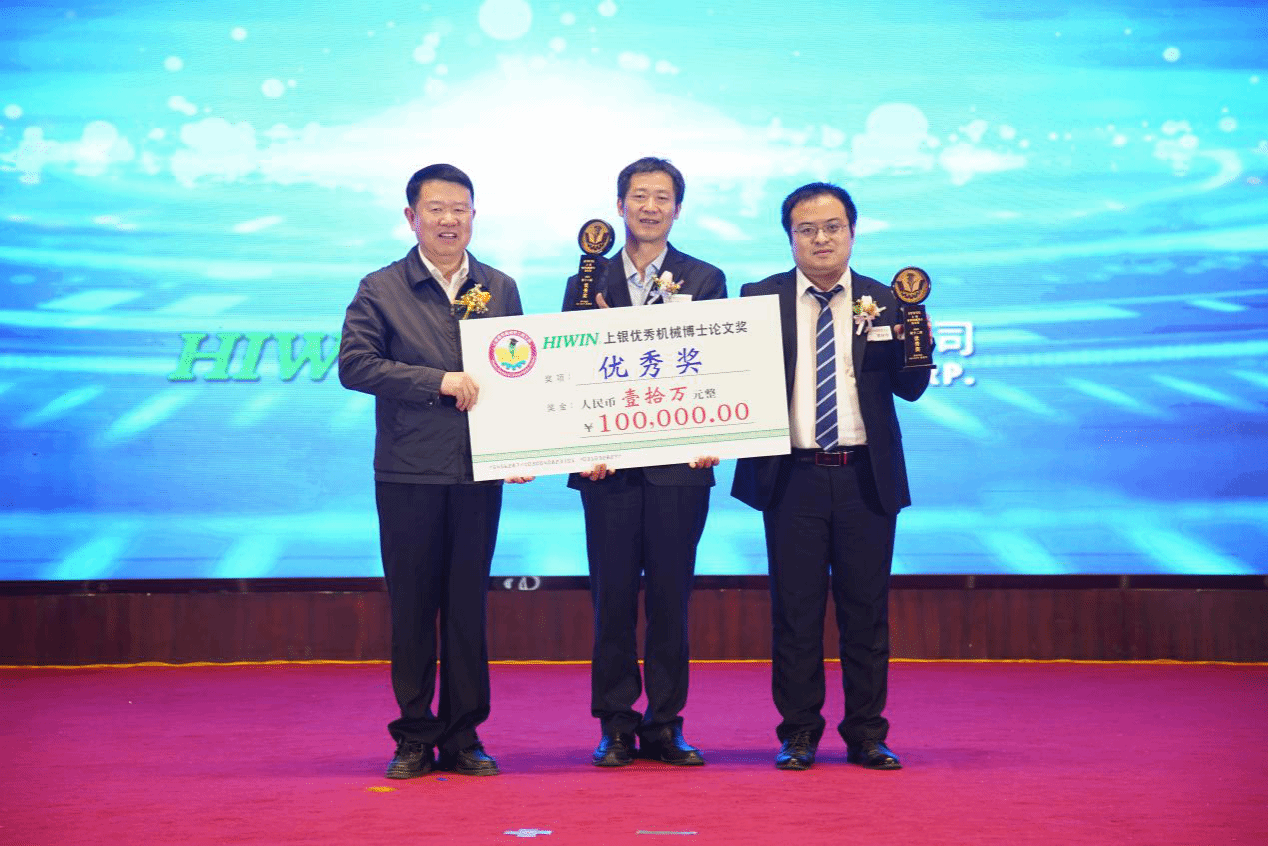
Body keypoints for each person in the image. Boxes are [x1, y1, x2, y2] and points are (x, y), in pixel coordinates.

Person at [339, 163, 531, 779]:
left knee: (468, 609)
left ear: (474, 215)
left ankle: (465, 735)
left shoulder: (500, 287)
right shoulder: (380, 288)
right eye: (436, 209)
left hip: (479, 473)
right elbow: (355, 365)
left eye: (460, 209)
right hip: (409, 473)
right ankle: (415, 735)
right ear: (411, 217)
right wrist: (437, 382)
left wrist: (523, 448)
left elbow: (519, 373)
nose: (450, 220)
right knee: (415, 608)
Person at [731, 182, 932, 771]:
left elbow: (912, 388)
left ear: (852, 232)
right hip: (790, 476)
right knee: (794, 614)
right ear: (790, 237)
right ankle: (798, 733)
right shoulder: (758, 299)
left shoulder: (888, 300)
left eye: (833, 227)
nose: (821, 239)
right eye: (807, 229)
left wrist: (917, 338)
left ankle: (867, 734)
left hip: (864, 477)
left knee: (865, 614)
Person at [561, 157, 726, 767]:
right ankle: (615, 724)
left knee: (670, 600)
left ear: (677, 209)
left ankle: (665, 723)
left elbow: (716, 365)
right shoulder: (587, 279)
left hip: (680, 467)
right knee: (611, 601)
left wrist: (718, 432)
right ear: (620, 205)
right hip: (607, 468)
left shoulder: (704, 277)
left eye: (662, 197)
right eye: (639, 196)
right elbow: (570, 369)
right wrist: (583, 447)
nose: (650, 207)